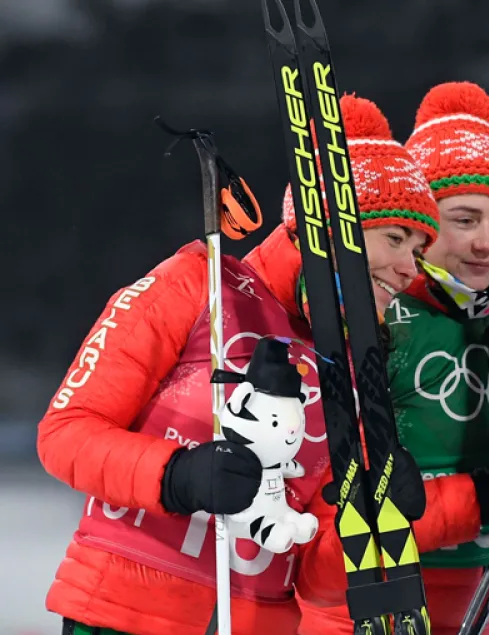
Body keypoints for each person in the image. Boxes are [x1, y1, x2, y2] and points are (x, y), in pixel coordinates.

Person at [36, 93, 440, 635]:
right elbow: (65, 434)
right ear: (330, 231)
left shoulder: (356, 371)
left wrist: (368, 523)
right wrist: (176, 475)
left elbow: (315, 577)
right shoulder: (197, 285)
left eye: (417, 251)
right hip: (123, 612)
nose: (408, 269)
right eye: (395, 239)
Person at [296, 81, 489, 635]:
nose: (487, 243)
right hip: (355, 611)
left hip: (474, 603)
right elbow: (331, 529)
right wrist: (488, 499)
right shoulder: (370, 318)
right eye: (463, 219)